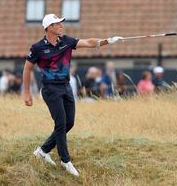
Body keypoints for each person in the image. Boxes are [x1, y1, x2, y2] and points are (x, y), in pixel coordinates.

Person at [22, 13, 123, 176]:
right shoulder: (37, 47)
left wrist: (107, 41)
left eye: (61, 23)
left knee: (69, 123)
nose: (61, 25)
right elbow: (27, 68)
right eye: (57, 24)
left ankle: (43, 151)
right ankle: (65, 161)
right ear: (49, 27)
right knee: (61, 124)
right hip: (50, 89)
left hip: (66, 87)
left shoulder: (66, 41)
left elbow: (88, 42)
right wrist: (27, 93)